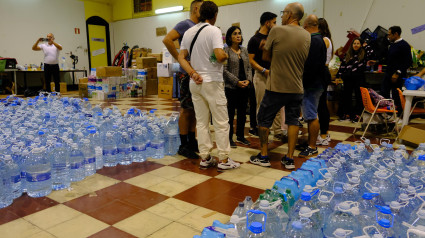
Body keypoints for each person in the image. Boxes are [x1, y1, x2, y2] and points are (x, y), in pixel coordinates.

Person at [178, 1, 240, 171]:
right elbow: (219, 56)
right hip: (212, 82)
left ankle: (205, 157)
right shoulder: (214, 30)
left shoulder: (189, 32)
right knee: (221, 121)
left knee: (202, 122)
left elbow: (181, 57)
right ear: (215, 15)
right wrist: (225, 56)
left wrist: (192, 72)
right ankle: (224, 159)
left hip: (195, 82)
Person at [249, 2, 310, 169]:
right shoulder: (307, 35)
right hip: (296, 87)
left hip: (276, 86)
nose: (281, 17)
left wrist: (267, 48)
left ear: (290, 15)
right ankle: (289, 159)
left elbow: (267, 57)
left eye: (283, 13)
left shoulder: (276, 30)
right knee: (293, 121)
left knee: (263, 119)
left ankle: (263, 156)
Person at [162, 0, 203, 160]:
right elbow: (167, 39)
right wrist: (180, 59)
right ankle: (183, 144)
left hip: (196, 73)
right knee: (186, 109)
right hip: (186, 73)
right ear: (196, 8)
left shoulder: (201, 26)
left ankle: (192, 141)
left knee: (194, 109)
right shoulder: (185, 24)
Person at [247, 12, 285, 141]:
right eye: (274, 22)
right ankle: (262, 131)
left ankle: (278, 131)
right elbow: (251, 60)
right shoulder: (254, 39)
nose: (276, 25)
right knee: (262, 105)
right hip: (261, 75)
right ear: (267, 23)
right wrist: (263, 70)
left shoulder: (274, 38)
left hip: (275, 74)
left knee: (278, 104)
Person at [296, 15, 327, 158]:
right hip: (316, 82)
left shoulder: (314, 41)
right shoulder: (319, 39)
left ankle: (312, 146)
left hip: (312, 85)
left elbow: (311, 66)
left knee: (311, 115)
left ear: (307, 25)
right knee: (310, 115)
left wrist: (303, 83)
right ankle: (310, 142)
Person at [223, 26, 252, 148]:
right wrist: (237, 81)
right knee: (230, 114)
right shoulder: (226, 51)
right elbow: (224, 70)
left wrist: (248, 80)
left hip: (244, 86)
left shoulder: (244, 50)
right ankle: (229, 138)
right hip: (232, 87)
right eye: (235, 34)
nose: (238, 35)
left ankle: (240, 136)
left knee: (242, 112)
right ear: (230, 37)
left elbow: (249, 67)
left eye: (239, 33)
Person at [336, 38, 375, 122]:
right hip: (348, 78)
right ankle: (347, 113)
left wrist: (366, 45)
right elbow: (342, 66)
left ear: (361, 45)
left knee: (359, 97)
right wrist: (338, 76)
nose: (356, 45)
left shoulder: (364, 54)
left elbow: (371, 52)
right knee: (346, 96)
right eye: (354, 43)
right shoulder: (348, 54)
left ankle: (357, 114)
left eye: (358, 43)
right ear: (352, 45)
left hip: (359, 78)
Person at [381, 26, 412, 113]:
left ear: (396, 34)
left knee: (397, 95)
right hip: (388, 73)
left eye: (390, 35)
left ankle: (399, 115)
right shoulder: (392, 44)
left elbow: (408, 62)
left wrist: (397, 73)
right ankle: (387, 113)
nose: (388, 37)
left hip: (398, 75)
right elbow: (389, 59)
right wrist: (376, 62)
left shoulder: (404, 45)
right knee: (384, 93)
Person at [316, 17, 333, 146]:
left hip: (322, 72)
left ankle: (324, 133)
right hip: (322, 72)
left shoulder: (324, 40)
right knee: (320, 104)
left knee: (322, 104)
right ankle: (322, 132)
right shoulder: (324, 39)